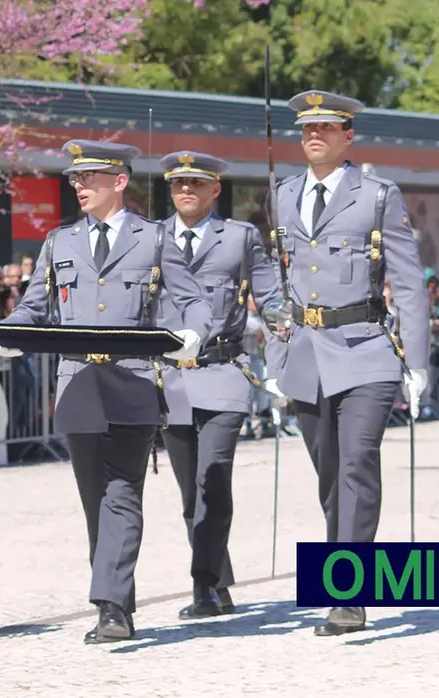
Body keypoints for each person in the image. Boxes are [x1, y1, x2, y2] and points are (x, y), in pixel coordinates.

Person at [0, 139, 211, 644]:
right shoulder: (58, 242)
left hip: (133, 382)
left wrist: (192, 336)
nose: (79, 187)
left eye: (89, 178)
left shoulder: (154, 239)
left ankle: (111, 607)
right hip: (78, 388)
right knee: (96, 501)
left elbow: (194, 301)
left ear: (119, 181)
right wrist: (10, 334)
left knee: (121, 493)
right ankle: (118, 596)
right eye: (74, 179)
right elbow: (34, 306)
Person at [261, 90, 430, 636]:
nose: (315, 135)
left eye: (327, 126)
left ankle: (349, 595)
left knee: (357, 462)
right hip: (306, 355)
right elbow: (277, 284)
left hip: (365, 350)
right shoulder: (283, 195)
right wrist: (273, 350)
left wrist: (419, 360)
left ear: (347, 134)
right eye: (307, 127)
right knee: (330, 476)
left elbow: (407, 281)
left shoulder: (378, 195)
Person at [155, 150, 279, 619]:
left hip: (223, 370)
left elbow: (269, 298)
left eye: (195, 184)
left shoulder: (241, 237)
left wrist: (288, 349)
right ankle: (219, 581)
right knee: (190, 489)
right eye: (178, 184)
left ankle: (204, 585)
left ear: (214, 189)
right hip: (170, 378)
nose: (185, 191)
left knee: (213, 479)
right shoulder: (152, 237)